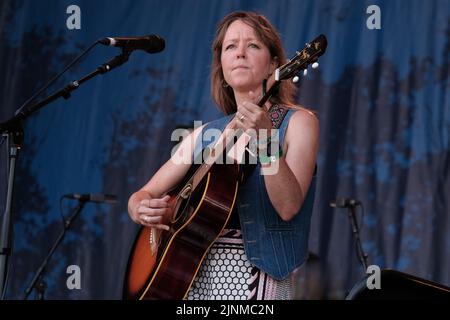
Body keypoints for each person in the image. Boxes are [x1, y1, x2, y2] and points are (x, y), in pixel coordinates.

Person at [127, 11, 319, 300]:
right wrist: (140, 208)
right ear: (223, 69)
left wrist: (266, 139)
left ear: (274, 65)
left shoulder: (298, 122)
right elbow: (142, 195)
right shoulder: (204, 133)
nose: (240, 53)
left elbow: (289, 206)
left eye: (253, 45)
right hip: (191, 273)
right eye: (230, 47)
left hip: (258, 275)